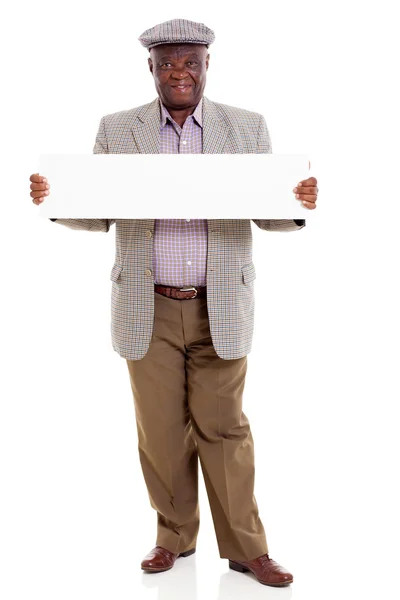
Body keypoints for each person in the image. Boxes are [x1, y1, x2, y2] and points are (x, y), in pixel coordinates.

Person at [29, 18, 318, 587]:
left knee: (225, 429)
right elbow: (99, 210)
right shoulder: (119, 129)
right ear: (151, 68)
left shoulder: (245, 127)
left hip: (222, 306)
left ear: (207, 64)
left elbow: (270, 212)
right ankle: (173, 538)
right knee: (159, 433)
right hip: (146, 305)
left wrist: (297, 202)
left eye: (190, 61)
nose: (179, 71)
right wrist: (55, 200)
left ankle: (246, 548)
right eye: (167, 62)